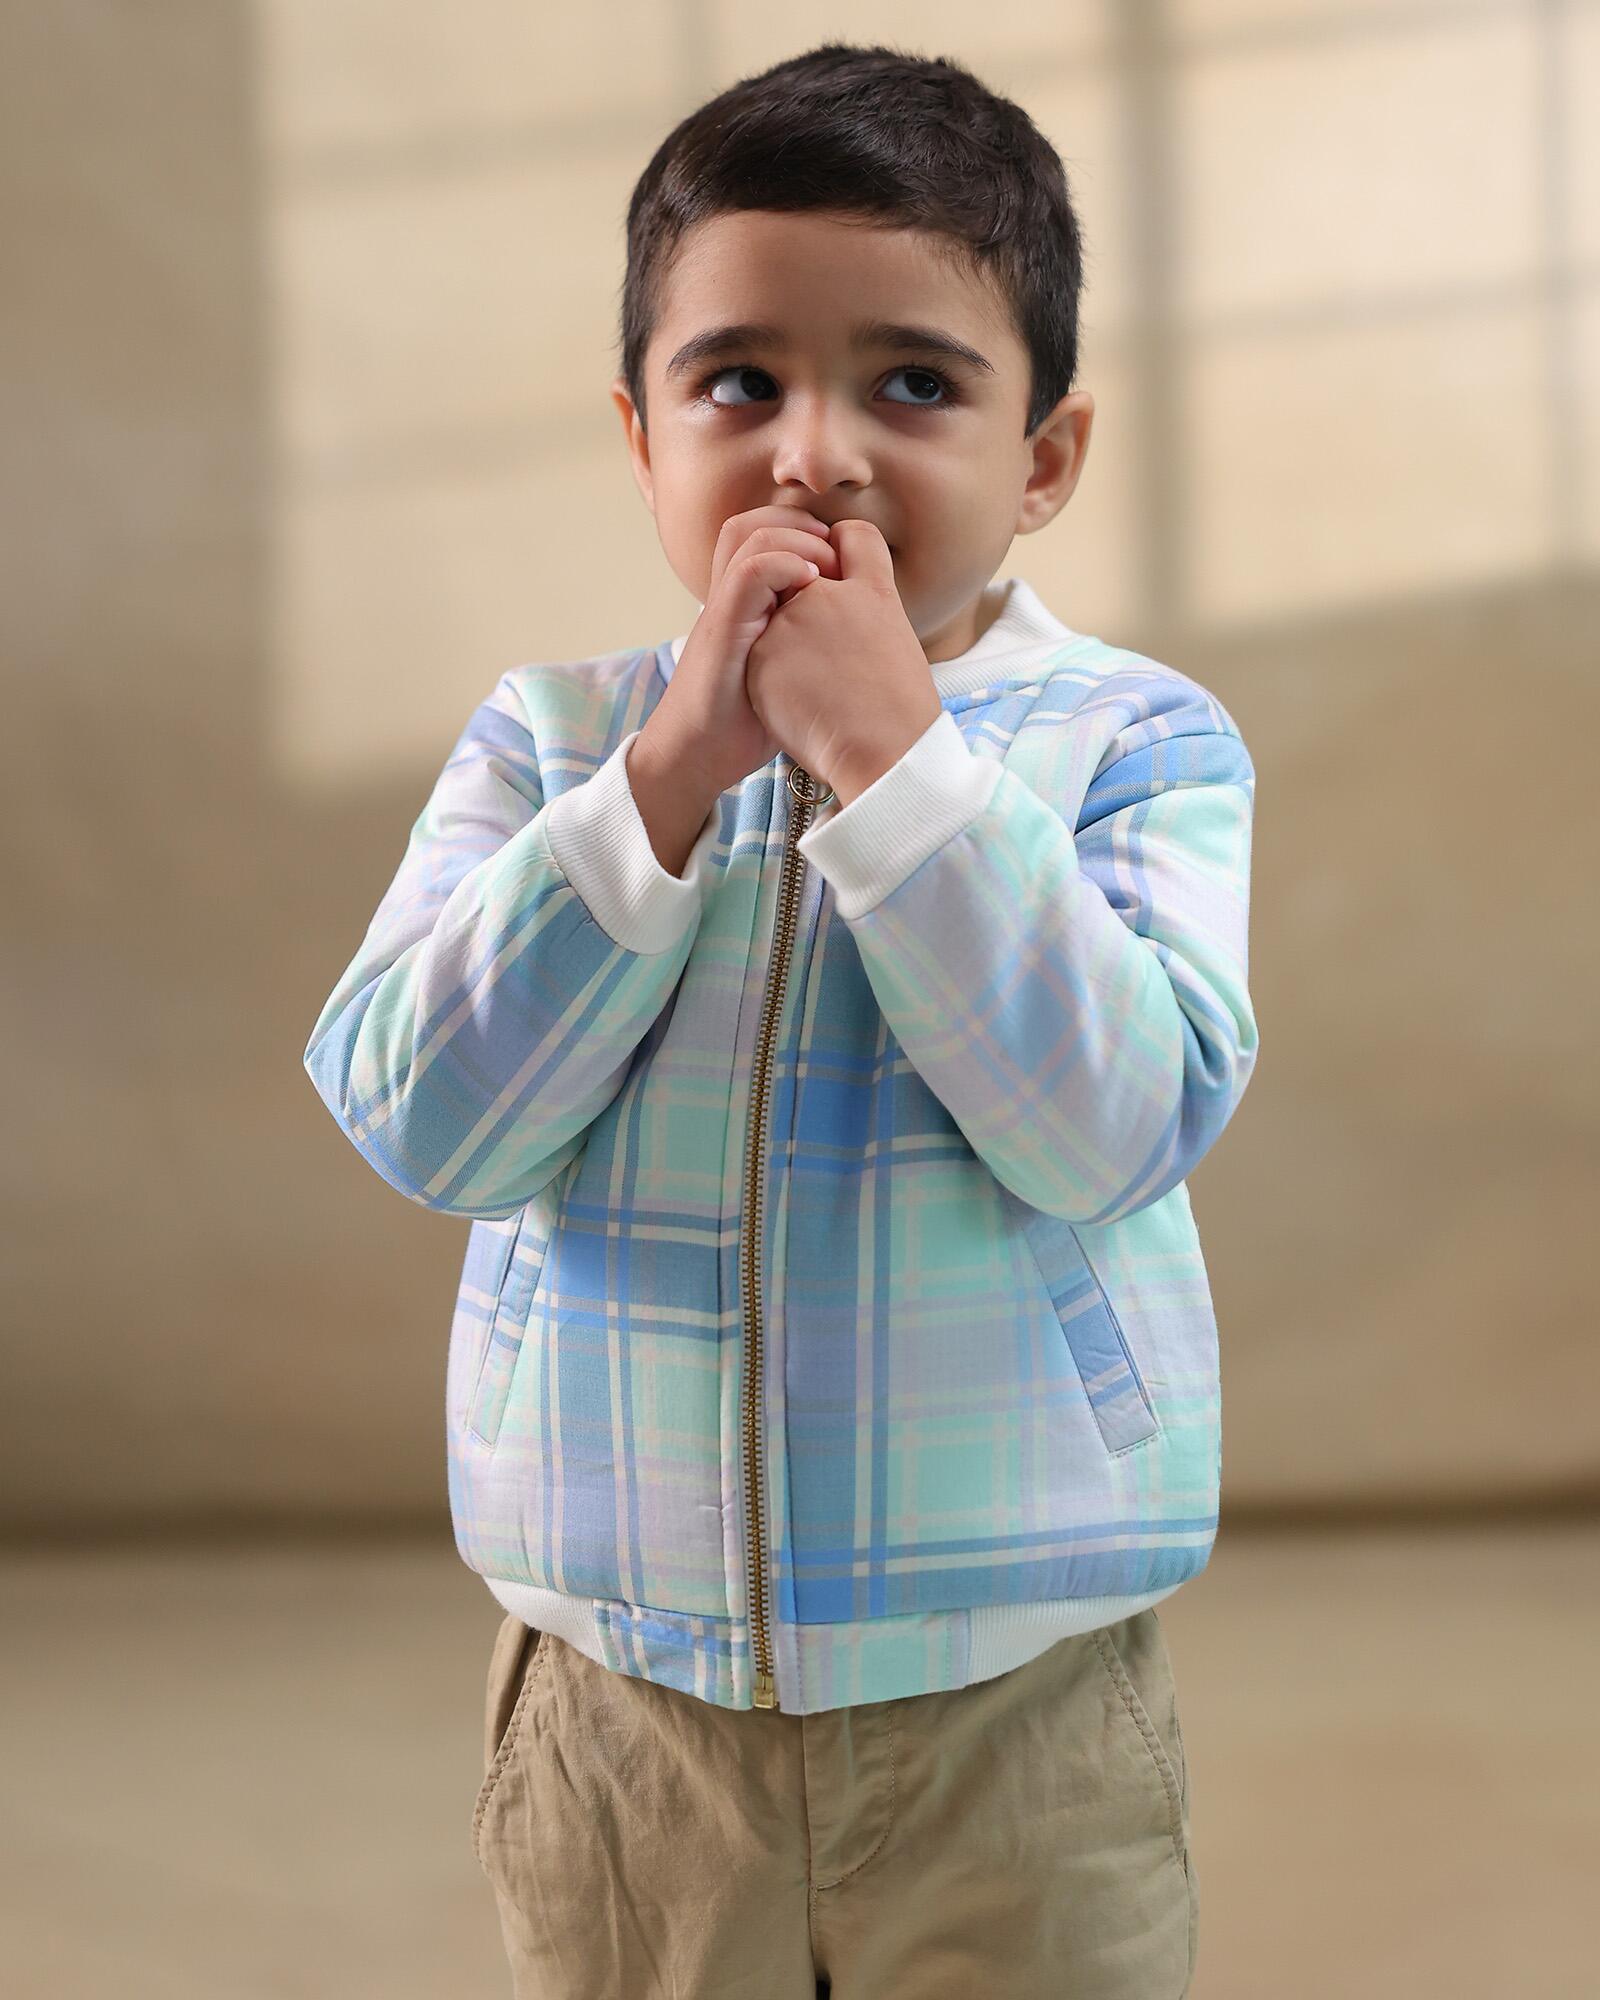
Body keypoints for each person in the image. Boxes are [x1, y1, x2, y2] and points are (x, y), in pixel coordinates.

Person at [303, 39, 1259, 2000]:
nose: (813, 450)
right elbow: (422, 1118)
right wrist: (665, 779)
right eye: (738, 381)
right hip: (620, 1714)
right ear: (641, 438)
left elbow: (1109, 1123)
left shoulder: (1130, 742)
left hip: (1014, 1700)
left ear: (1042, 456)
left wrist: (900, 776)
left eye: (910, 382)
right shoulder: (555, 744)